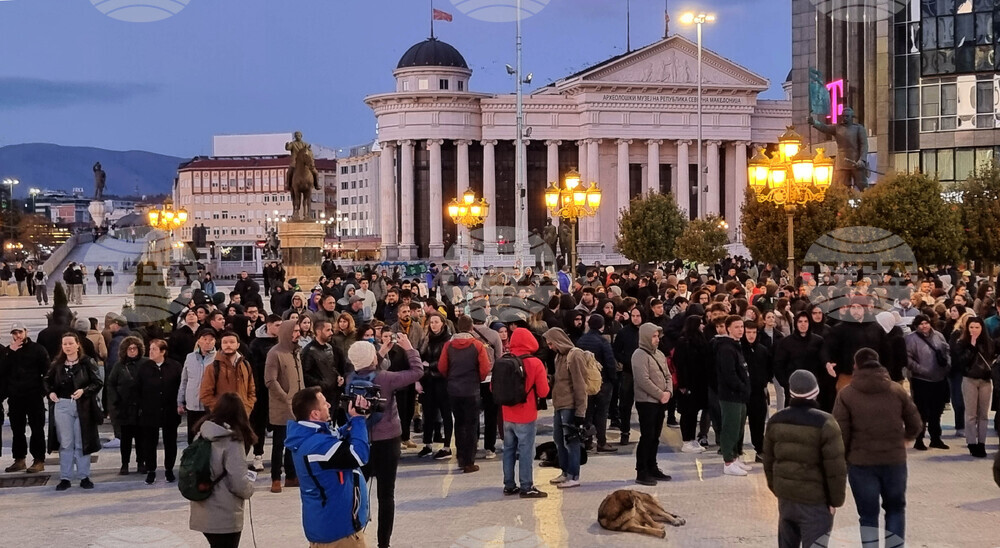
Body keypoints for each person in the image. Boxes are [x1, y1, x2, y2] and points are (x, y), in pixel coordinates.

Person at [833, 348, 922, 547]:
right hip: (894, 461)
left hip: (861, 464)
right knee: (896, 509)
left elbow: (841, 433)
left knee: (868, 516)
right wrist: (906, 438)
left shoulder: (847, 394)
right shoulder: (896, 390)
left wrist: (844, 459)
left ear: (856, 366)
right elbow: (915, 423)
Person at [350, 333, 423, 548]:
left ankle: (354, 536)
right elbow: (417, 372)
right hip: (388, 439)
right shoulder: (387, 378)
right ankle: (384, 543)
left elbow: (368, 370)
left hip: (360, 439)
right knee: (386, 495)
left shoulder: (350, 378)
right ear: (372, 358)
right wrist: (409, 348)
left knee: (357, 491)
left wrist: (380, 352)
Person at [763, 370, 847, 548]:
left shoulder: (776, 420)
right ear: (815, 391)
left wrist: (777, 488)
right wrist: (835, 501)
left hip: (786, 499)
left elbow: (768, 461)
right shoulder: (826, 423)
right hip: (815, 502)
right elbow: (836, 469)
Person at [286, 387, 371, 548]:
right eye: (325, 404)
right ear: (315, 414)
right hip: (339, 533)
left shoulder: (305, 437)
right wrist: (358, 420)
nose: (330, 406)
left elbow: (335, 436)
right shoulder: (317, 446)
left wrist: (353, 422)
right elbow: (359, 455)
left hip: (325, 526)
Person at [187, 392, 256, 548]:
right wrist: (250, 488)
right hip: (224, 512)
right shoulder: (232, 440)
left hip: (203, 508)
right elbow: (238, 482)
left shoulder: (201, 433)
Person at [44, 332, 103, 491]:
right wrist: (50, 392)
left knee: (81, 441)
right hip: (62, 405)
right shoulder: (57, 364)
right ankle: (65, 477)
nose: (68, 347)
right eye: (65, 344)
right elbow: (46, 381)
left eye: (70, 343)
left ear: (78, 345)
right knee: (66, 443)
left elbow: (97, 382)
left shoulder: (87, 362)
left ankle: (84, 476)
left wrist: (84, 391)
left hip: (82, 406)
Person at [498, 327, 551, 498]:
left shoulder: (504, 359)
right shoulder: (535, 363)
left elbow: (494, 387)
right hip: (526, 414)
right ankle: (526, 486)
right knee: (526, 451)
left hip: (507, 413)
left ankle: (509, 484)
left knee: (508, 449)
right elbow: (543, 392)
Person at [437, 315, 491, 473]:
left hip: (453, 389)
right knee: (472, 425)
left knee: (459, 424)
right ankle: (469, 461)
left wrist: (451, 377)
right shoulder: (477, 345)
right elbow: (485, 368)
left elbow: (442, 367)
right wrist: (476, 379)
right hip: (471, 390)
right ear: (471, 327)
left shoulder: (448, 345)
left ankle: (461, 458)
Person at [543, 327, 588, 489]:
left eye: (551, 343)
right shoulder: (558, 357)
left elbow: (580, 384)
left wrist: (580, 412)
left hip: (570, 405)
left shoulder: (575, 355)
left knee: (571, 441)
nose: (550, 347)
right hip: (559, 405)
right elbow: (560, 380)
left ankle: (573, 475)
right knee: (558, 439)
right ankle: (564, 471)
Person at [3, 323, 50, 474]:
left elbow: (47, 372)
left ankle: (38, 460)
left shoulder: (38, 349)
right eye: (15, 333)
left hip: (34, 396)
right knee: (17, 430)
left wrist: (42, 392)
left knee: (37, 429)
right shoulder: (7, 351)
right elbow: (2, 370)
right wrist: (10, 352)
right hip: (15, 396)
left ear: (26, 332)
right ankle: (19, 459)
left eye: (20, 332)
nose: (18, 336)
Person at [631, 323, 673, 486]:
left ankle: (652, 466)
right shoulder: (639, 355)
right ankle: (642, 470)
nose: (656, 339)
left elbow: (668, 375)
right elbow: (643, 380)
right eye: (654, 336)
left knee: (655, 436)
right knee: (647, 436)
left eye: (657, 336)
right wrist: (660, 394)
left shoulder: (660, 354)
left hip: (661, 401)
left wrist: (668, 392)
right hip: (647, 402)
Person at [264, 321, 304, 493]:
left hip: (297, 405)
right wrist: (286, 397)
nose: (298, 333)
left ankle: (290, 476)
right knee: (279, 444)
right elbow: (270, 380)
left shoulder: (296, 352)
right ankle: (275, 478)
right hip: (281, 406)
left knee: (292, 443)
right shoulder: (275, 353)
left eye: (298, 330)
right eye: (294, 331)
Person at [137, 339, 183, 484]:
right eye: (149, 349)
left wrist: (180, 404)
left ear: (163, 351)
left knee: (170, 441)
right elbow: (138, 388)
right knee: (150, 442)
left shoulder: (174, 366)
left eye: (154, 349)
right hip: (150, 410)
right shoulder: (144, 367)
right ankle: (151, 470)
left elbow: (180, 386)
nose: (150, 352)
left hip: (170, 409)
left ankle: (169, 469)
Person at [904, 315, 951, 450]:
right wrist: (921, 370)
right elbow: (908, 359)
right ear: (916, 325)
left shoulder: (939, 336)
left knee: (937, 410)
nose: (924, 326)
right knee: (922, 411)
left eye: (926, 323)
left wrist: (947, 365)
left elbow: (946, 351)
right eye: (921, 324)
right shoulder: (910, 339)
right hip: (921, 380)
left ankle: (936, 438)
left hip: (939, 378)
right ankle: (919, 439)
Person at [951, 317, 994, 457]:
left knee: (984, 415)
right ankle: (971, 443)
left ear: (982, 328)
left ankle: (981, 443)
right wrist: (972, 345)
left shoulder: (989, 343)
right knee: (971, 414)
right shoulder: (961, 343)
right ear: (967, 328)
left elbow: (991, 358)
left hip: (985, 380)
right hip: (969, 379)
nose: (974, 330)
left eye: (977, 327)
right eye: (971, 327)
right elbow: (961, 362)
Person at [107, 336, 149, 474]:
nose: (132, 351)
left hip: (141, 408)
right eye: (129, 348)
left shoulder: (146, 363)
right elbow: (111, 384)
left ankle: (141, 463)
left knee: (141, 438)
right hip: (124, 408)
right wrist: (115, 403)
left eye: (134, 348)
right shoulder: (119, 366)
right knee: (125, 439)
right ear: (124, 350)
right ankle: (125, 464)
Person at [717, 315, 752, 476]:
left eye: (741, 327)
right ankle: (728, 461)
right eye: (737, 327)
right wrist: (741, 386)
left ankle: (735, 456)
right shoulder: (726, 348)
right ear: (728, 328)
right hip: (731, 394)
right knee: (730, 426)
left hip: (740, 394)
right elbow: (729, 374)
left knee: (738, 427)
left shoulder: (736, 346)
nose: (740, 330)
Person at [577, 314, 618, 453]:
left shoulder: (581, 340)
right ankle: (601, 441)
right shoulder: (603, 341)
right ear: (602, 325)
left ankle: (587, 441)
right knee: (602, 412)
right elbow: (610, 362)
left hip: (586, 382)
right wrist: (613, 379)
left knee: (587, 412)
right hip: (602, 382)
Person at [417, 311, 453, 459]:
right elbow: (420, 358)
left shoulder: (448, 341)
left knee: (446, 414)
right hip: (428, 382)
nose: (434, 325)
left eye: (436, 322)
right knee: (428, 414)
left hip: (443, 382)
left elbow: (446, 363)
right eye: (431, 322)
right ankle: (427, 445)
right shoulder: (426, 339)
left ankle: (447, 446)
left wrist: (429, 365)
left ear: (443, 324)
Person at [247, 314, 281, 470]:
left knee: (280, 425)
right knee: (259, 424)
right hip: (262, 390)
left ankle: (279, 456)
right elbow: (254, 368)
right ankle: (258, 455)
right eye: (277, 325)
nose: (280, 329)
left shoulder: (283, 342)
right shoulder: (256, 344)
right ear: (268, 325)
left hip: (280, 390)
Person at [178, 329, 218, 443]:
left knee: (208, 439)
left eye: (211, 340)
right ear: (199, 341)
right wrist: (180, 402)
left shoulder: (219, 358)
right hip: (192, 405)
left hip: (210, 406)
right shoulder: (190, 357)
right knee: (192, 438)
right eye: (205, 339)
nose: (208, 342)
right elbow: (184, 380)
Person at [742, 321, 773, 462]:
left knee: (758, 423)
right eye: (748, 332)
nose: (751, 335)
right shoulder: (739, 349)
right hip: (742, 393)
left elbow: (769, 368)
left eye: (753, 332)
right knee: (739, 424)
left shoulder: (762, 350)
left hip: (758, 392)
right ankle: (736, 451)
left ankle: (760, 450)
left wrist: (764, 381)